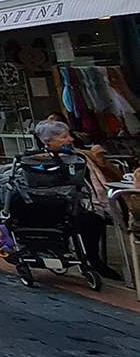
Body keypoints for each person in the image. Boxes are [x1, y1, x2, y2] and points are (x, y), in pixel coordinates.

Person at [34, 118, 123, 280]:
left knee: (92, 215)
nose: (71, 139)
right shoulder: (38, 161)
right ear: (49, 141)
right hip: (56, 207)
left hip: (83, 204)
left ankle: (92, 257)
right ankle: (91, 259)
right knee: (89, 217)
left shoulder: (79, 157)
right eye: (64, 137)